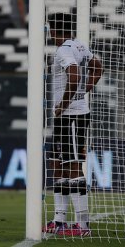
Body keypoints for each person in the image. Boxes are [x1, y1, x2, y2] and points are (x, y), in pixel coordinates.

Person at [42, 13, 102, 237]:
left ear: (53, 30)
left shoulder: (64, 50)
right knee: (59, 164)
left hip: (71, 116)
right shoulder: (80, 45)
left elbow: (75, 75)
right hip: (66, 115)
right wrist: (81, 92)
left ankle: (83, 224)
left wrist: (66, 102)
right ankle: (59, 220)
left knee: (74, 165)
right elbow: (98, 68)